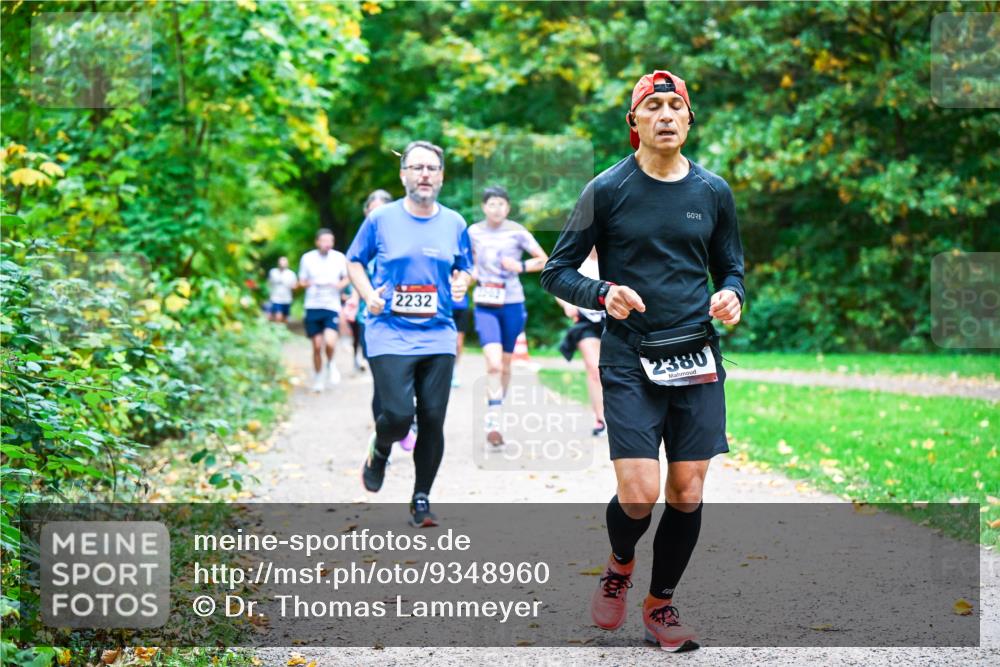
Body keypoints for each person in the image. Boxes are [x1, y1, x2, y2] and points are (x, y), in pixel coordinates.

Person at [540, 69, 745, 652]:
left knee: (687, 489)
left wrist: (732, 295)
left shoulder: (713, 191)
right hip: (630, 357)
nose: (665, 115)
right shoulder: (607, 189)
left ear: (689, 118)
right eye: (652, 107)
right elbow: (557, 272)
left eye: (675, 105)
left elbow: (731, 266)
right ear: (634, 121)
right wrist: (603, 293)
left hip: (695, 355)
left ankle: (660, 604)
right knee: (638, 492)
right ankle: (620, 563)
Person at [347, 141, 472, 527]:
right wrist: (368, 295)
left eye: (431, 168)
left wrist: (462, 282)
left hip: (438, 333)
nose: (424, 174)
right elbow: (354, 261)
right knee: (399, 416)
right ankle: (381, 448)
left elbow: (466, 266)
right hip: (389, 330)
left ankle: (421, 498)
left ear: (442, 176)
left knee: (432, 418)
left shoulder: (455, 223)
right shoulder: (381, 219)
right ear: (403, 175)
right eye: (416, 167)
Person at [468, 185, 548, 446]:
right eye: (491, 204)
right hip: (485, 303)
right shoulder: (473, 232)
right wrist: (467, 277)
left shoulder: (517, 231)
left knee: (505, 364)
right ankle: (493, 416)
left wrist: (521, 266)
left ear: (508, 207)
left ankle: (497, 407)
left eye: (501, 204)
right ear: (484, 207)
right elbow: (469, 264)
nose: (496, 209)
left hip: (512, 302)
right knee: (492, 363)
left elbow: (544, 260)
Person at [555, 247, 605, 436]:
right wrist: (567, 305)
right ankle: (601, 419)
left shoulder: (617, 254)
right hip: (586, 321)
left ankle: (620, 415)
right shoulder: (576, 257)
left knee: (617, 370)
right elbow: (556, 283)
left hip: (615, 319)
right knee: (594, 368)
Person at [298, 229, 351, 393]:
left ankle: (331, 363)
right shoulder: (307, 258)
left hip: (331, 305)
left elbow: (348, 277)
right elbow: (301, 281)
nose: (328, 244)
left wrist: (339, 285)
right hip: (312, 305)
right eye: (324, 240)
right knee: (316, 345)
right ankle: (318, 378)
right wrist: (311, 283)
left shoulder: (339, 257)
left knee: (329, 342)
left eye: (330, 241)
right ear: (317, 242)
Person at [266, 256, 297, 323]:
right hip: (275, 298)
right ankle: (277, 327)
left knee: (285, 318)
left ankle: (282, 328)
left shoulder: (291, 274)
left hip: (287, 299)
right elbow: (269, 283)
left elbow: (294, 286)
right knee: (278, 316)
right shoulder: (273, 272)